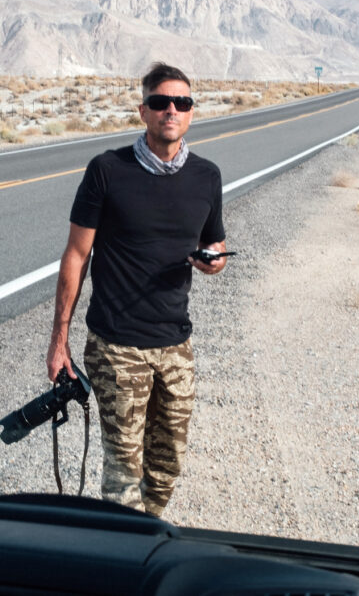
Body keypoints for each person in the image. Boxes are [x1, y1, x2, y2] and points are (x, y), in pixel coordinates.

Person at [46, 62, 227, 517]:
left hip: (176, 345)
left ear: (190, 113)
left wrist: (213, 261)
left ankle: (143, 539)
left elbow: (215, 246)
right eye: (161, 102)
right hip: (116, 345)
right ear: (142, 111)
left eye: (181, 103)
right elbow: (76, 256)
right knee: (124, 471)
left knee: (166, 468)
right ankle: (124, 561)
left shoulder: (207, 177)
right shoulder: (107, 171)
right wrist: (59, 340)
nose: (171, 110)